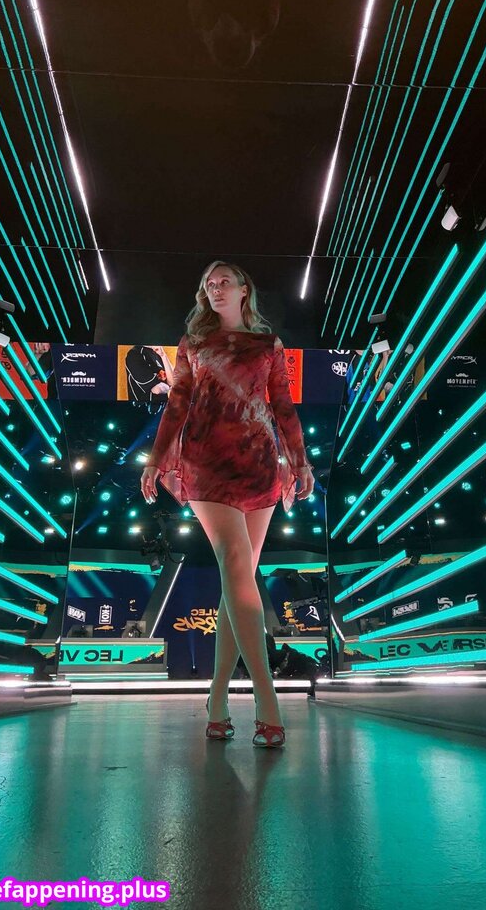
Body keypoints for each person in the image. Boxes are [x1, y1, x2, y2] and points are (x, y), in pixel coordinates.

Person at [140, 261, 315, 748]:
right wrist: (156, 460)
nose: (215, 289)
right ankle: (267, 699)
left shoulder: (268, 345)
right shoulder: (193, 344)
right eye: (208, 285)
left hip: (258, 464)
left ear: (243, 290)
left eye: (223, 282)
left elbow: (283, 406)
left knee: (237, 583)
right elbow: (177, 403)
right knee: (236, 563)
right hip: (205, 463)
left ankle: (216, 699)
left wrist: (299, 461)